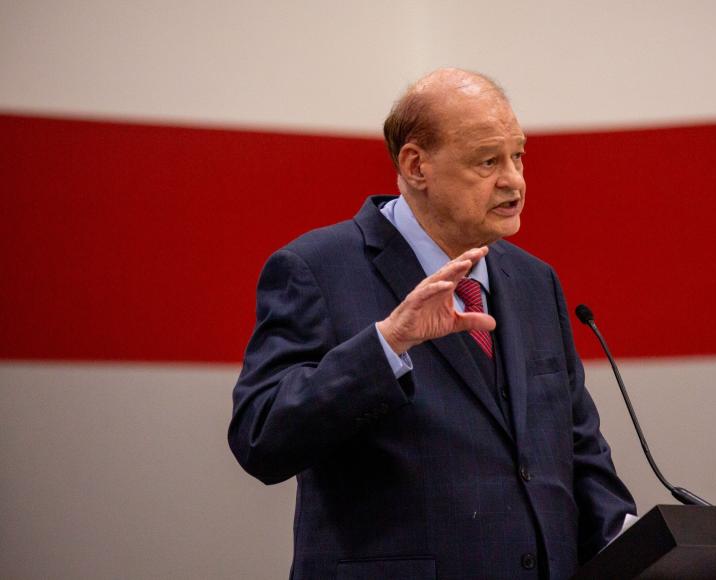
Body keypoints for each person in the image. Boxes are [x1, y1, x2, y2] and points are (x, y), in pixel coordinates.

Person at [229, 68, 635, 580]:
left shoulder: (535, 281)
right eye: (487, 161)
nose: (514, 179)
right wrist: (388, 344)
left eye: (518, 156)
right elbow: (261, 438)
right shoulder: (316, 268)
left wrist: (633, 546)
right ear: (416, 165)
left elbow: (578, 451)